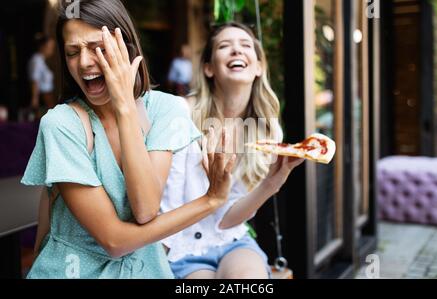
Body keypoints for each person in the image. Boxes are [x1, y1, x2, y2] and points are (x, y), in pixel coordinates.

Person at [21, 0, 235, 279]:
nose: (84, 62)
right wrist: (210, 201)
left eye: (98, 47)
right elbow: (115, 242)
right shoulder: (60, 124)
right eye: (73, 52)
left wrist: (124, 108)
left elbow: (145, 209)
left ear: (128, 49)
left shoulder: (165, 109)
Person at [160, 22, 304, 279]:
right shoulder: (180, 113)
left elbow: (226, 220)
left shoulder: (268, 132)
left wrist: (272, 183)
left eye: (246, 45)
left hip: (231, 242)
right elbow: (167, 205)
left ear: (259, 67)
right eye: (225, 46)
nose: (237, 50)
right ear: (209, 68)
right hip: (179, 248)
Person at [28, 33, 56, 117]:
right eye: (50, 47)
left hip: (48, 96)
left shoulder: (42, 60)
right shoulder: (37, 60)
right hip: (43, 96)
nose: (52, 50)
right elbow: (35, 80)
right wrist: (35, 99)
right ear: (43, 46)